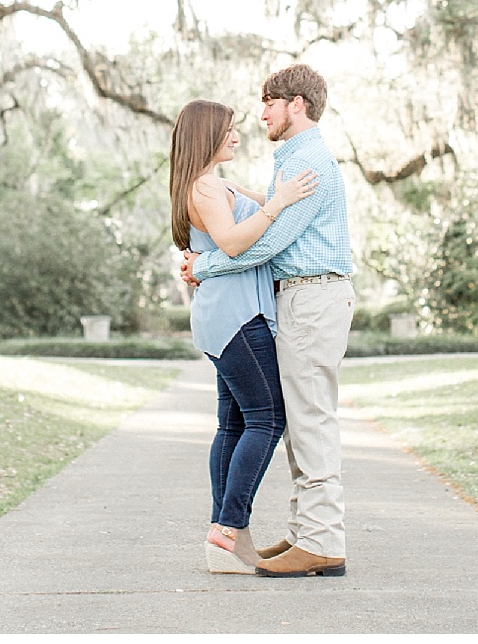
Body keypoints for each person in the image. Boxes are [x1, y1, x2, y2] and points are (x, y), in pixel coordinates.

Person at [182, 64, 354, 579]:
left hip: (313, 297)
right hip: (296, 299)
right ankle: (308, 536)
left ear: (296, 104)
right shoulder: (289, 163)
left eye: (269, 104)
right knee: (292, 418)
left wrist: (203, 265)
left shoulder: (309, 166)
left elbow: (267, 243)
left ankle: (321, 540)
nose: (261, 116)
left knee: (307, 418)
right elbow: (255, 225)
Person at [169, 99, 319, 574]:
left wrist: (294, 184)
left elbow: (274, 204)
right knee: (267, 418)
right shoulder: (203, 188)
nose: (236, 136)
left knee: (234, 425)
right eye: (229, 130)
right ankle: (229, 529)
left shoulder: (219, 183)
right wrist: (278, 203)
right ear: (207, 135)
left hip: (228, 314)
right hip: (235, 317)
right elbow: (234, 241)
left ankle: (223, 536)